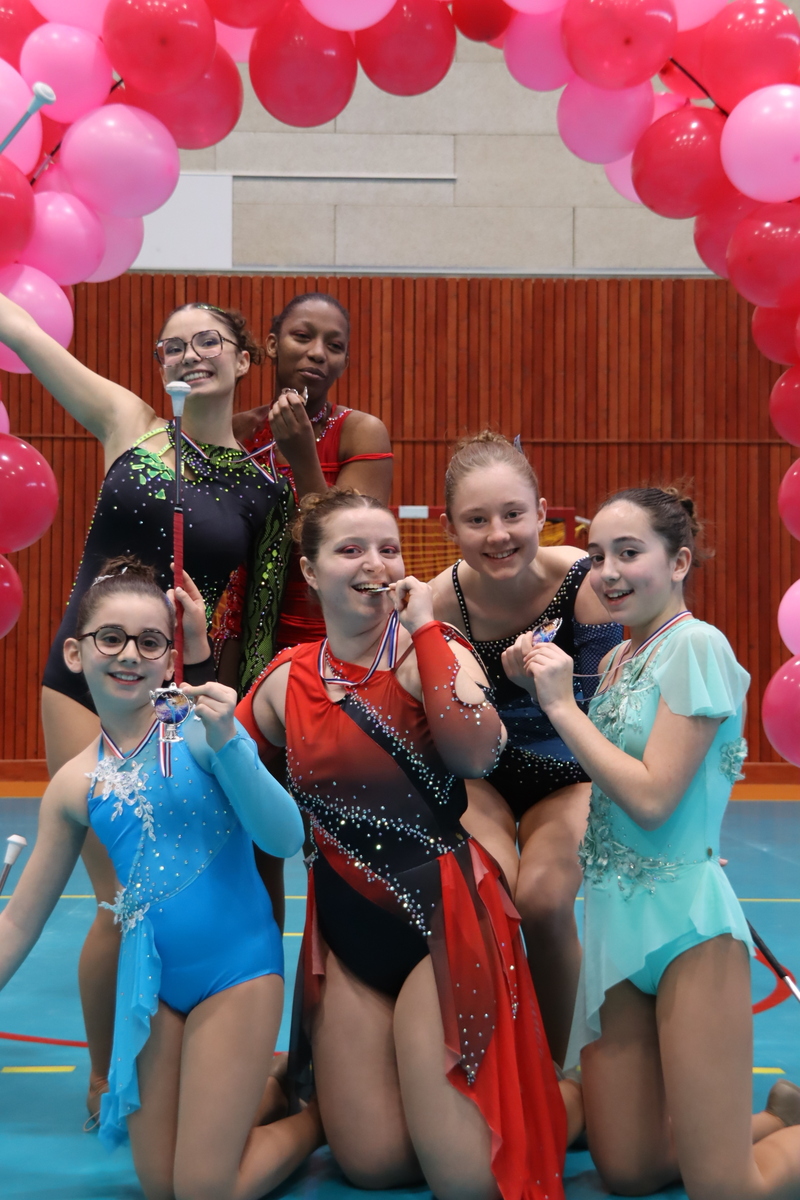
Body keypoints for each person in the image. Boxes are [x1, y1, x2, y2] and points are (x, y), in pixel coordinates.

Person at [236, 489, 583, 1200]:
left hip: (446, 928)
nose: (375, 563)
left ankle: (571, 1098)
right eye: (351, 549)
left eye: (388, 549)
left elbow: (476, 753)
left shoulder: (438, 652)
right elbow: (218, 782)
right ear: (311, 571)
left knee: (466, 1182)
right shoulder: (282, 681)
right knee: (374, 1165)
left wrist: (425, 629)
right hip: (348, 936)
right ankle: (319, 1108)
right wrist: (192, 659)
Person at [0, 293, 290, 1117]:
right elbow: (21, 329)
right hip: (90, 678)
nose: (190, 354)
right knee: (116, 898)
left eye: (209, 341)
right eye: (173, 344)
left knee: (167, 890)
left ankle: (188, 1049)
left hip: (179, 695)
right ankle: (105, 1075)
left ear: (244, 360)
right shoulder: (131, 424)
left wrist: (230, 722)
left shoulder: (265, 492)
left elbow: (257, 631)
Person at [509, 485, 800, 1199]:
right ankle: (773, 1119)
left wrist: (558, 706)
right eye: (597, 554)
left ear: (679, 562)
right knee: (630, 1172)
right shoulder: (618, 662)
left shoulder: (698, 646)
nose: (608, 571)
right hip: (615, 924)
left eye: (629, 553)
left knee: (727, 1190)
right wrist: (533, 688)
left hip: (686, 928)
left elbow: (650, 798)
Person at [0, 558, 317, 1200]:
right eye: (110, 638)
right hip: (151, 989)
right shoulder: (72, 784)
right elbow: (19, 919)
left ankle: (318, 1120)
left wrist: (231, 742)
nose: (129, 655)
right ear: (75, 652)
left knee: (202, 1190)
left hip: (237, 975)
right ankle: (263, 1096)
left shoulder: (201, 734)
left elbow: (285, 839)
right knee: (159, 1184)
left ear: (171, 659)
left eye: (149, 642)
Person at [430, 432, 622, 1063]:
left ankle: (560, 1070)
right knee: (488, 895)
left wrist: (543, 687)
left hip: (568, 773)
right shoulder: (442, 602)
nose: (498, 534)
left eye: (513, 514)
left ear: (542, 513)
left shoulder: (583, 580)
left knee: (542, 901)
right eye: (476, 520)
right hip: (482, 775)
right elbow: (447, 723)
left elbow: (608, 705)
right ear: (449, 526)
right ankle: (494, 1065)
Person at [221, 292, 393, 692]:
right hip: (243, 633)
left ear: (344, 362)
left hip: (331, 636)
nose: (317, 353)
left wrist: (303, 459)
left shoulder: (361, 432)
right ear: (272, 345)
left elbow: (348, 543)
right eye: (302, 337)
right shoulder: (236, 432)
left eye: (334, 346)